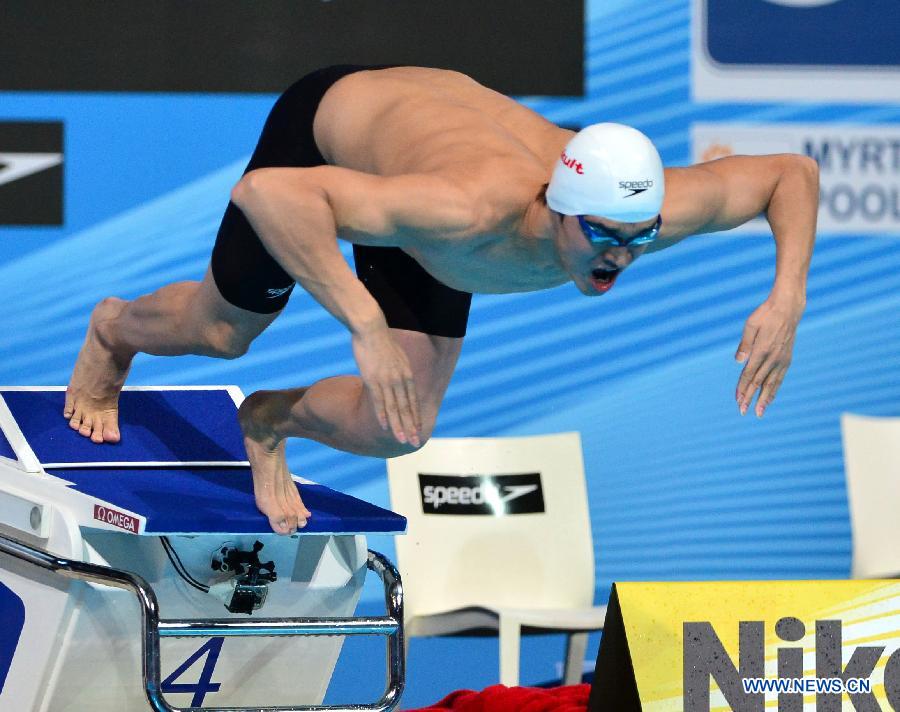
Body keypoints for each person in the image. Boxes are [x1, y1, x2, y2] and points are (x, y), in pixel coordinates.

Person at [64, 66, 818, 535]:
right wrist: (364, 321)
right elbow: (266, 191)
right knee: (225, 331)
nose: (620, 256)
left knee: (400, 427)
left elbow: (791, 173)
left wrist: (786, 298)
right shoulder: (467, 208)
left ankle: (265, 418)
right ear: (558, 208)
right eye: (602, 236)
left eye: (640, 238)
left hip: (420, 196)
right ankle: (112, 334)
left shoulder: (650, 212)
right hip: (332, 135)